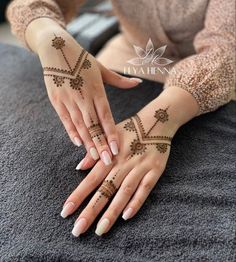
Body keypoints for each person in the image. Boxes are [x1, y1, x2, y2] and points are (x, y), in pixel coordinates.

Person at [7, 0, 235, 237]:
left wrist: (158, 120)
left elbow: (224, 50)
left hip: (215, 77)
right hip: (131, 58)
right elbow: (31, 4)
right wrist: (48, 35)